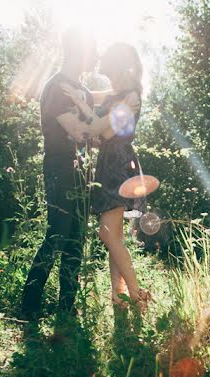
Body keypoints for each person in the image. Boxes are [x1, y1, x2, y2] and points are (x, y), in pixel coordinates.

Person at [60, 42, 152, 311]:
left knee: (107, 233)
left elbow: (106, 133)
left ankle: (137, 296)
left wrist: (80, 102)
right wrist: (77, 96)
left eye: (111, 71)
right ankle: (118, 299)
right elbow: (96, 99)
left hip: (119, 167)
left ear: (120, 68)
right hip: (110, 164)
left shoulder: (131, 97)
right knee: (115, 237)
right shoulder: (119, 95)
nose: (109, 78)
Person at [18, 28, 97, 321]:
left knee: (77, 237)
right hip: (59, 167)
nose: (96, 55)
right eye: (92, 49)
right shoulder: (55, 88)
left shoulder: (84, 92)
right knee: (58, 231)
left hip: (83, 172)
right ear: (78, 51)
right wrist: (97, 126)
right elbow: (78, 131)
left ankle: (66, 307)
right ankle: (29, 306)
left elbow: (93, 136)